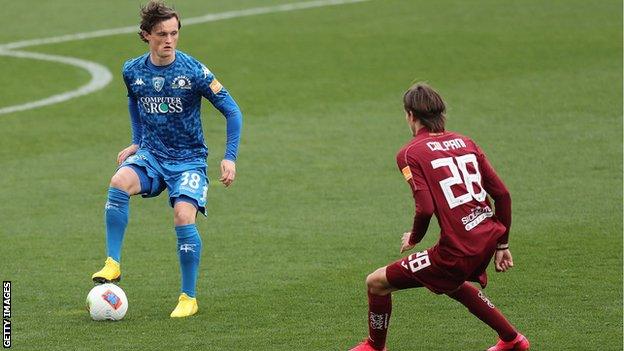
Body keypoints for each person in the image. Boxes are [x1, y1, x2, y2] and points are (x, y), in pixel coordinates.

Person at [91, 0, 242, 318]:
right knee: (119, 181)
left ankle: (189, 297)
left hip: (189, 160)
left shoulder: (193, 70)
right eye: (162, 34)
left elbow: (233, 111)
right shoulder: (132, 70)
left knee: (183, 216)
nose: (169, 40)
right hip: (152, 156)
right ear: (146, 35)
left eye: (174, 33)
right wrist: (137, 140)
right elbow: (134, 101)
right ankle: (113, 263)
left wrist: (229, 158)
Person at [349, 83, 529, 350]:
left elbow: (425, 208)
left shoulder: (410, 153)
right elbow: (502, 194)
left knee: (376, 283)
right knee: (451, 282)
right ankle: (512, 339)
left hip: (458, 250)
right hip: (487, 236)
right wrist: (503, 244)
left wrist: (414, 236)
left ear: (410, 114)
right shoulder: (466, 142)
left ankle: (375, 347)